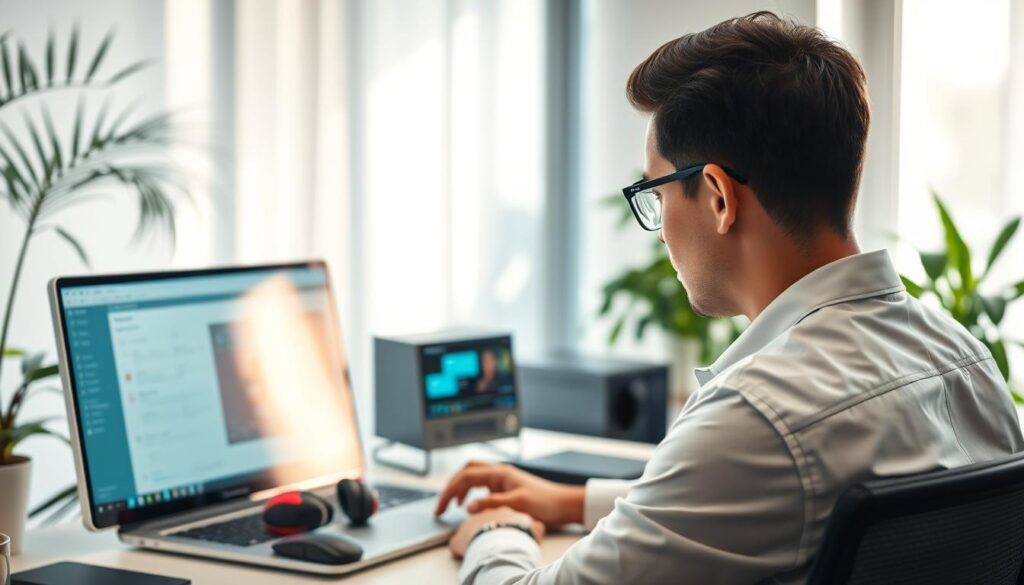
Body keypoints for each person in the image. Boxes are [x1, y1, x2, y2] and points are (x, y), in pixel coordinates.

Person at [434, 11, 1024, 584]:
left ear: (717, 197)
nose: (661, 227)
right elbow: (782, 498)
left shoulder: (761, 412)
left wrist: (498, 532)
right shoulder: (966, 359)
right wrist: (573, 500)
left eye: (655, 192)